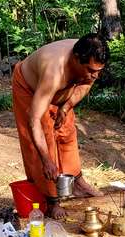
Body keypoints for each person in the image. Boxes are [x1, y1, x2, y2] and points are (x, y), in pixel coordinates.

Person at [12, 33, 108, 218]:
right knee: (43, 139)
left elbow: (86, 84)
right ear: (76, 59)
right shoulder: (54, 73)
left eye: (99, 70)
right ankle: (51, 199)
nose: (95, 75)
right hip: (29, 89)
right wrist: (47, 161)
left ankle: (77, 183)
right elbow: (33, 120)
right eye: (90, 70)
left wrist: (66, 106)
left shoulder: (89, 62)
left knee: (67, 131)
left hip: (59, 93)